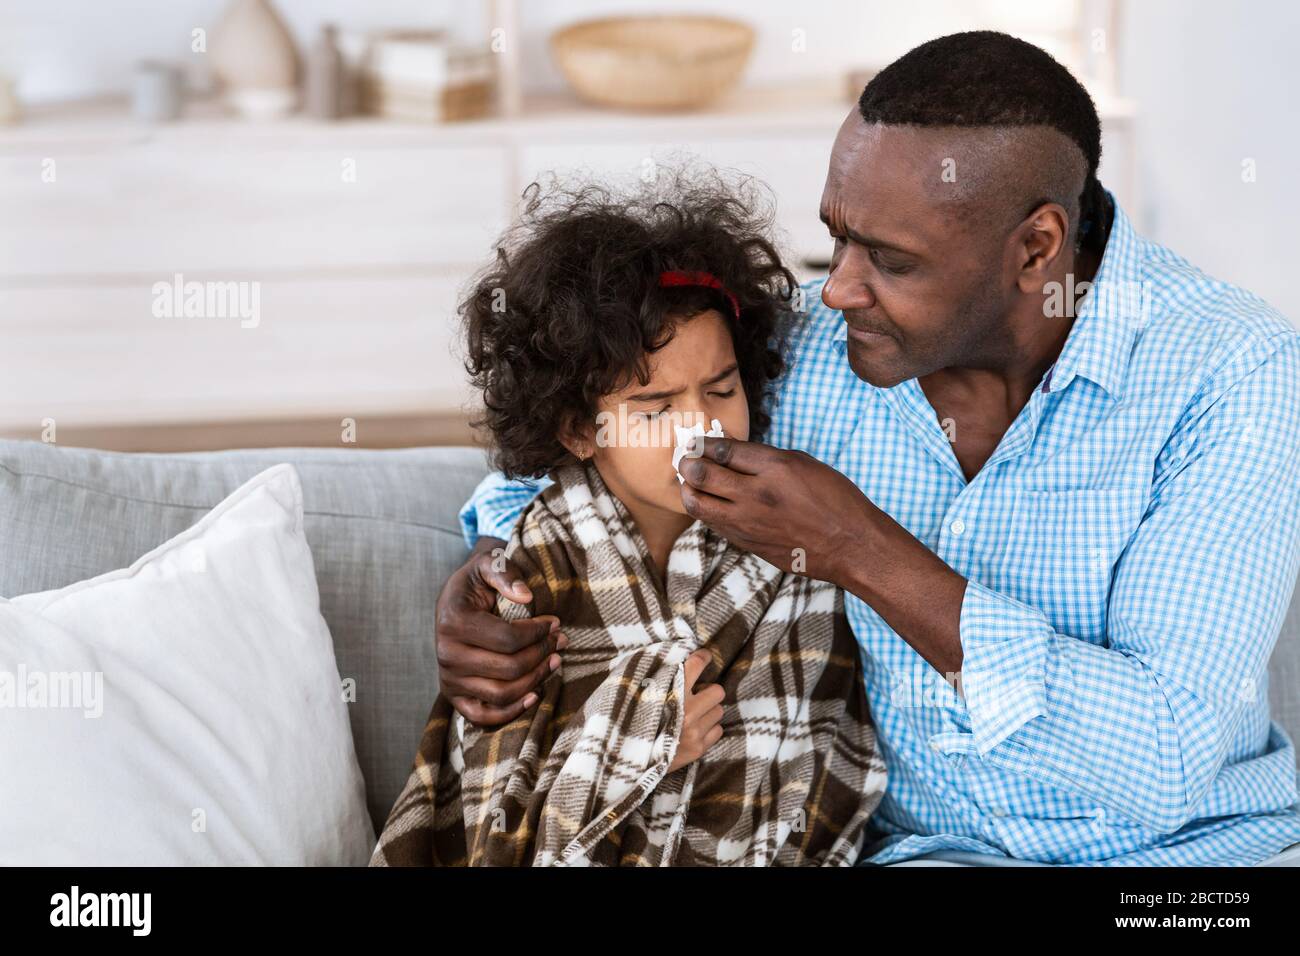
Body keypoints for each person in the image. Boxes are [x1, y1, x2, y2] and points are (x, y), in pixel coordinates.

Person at [440, 31, 1300, 866]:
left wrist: (858, 548)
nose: (838, 285)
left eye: (889, 258)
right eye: (838, 236)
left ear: (1036, 249)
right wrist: (488, 567)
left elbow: (1165, 761)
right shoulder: (808, 348)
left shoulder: (1231, 371)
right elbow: (601, 443)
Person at [371, 172, 886, 866]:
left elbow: (810, 781)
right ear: (581, 431)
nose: (702, 427)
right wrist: (640, 740)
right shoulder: (529, 583)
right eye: (655, 409)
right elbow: (494, 830)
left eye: (722, 389)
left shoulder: (791, 558)